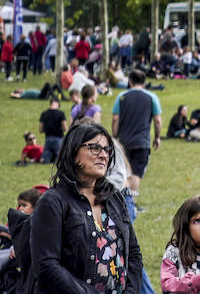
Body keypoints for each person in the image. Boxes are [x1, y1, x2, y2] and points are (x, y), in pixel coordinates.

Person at [30, 121, 142, 294]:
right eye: (95, 148)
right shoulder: (53, 202)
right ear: (74, 153)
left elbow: (133, 252)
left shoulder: (114, 197)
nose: (104, 155)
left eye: (107, 150)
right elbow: (46, 266)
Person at [110, 69, 161, 195]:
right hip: (142, 141)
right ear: (144, 82)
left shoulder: (121, 97)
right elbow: (157, 120)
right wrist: (157, 137)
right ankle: (130, 203)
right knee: (136, 173)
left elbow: (115, 118)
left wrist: (115, 136)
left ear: (130, 81)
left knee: (125, 171)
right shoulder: (152, 97)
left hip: (124, 141)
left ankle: (123, 201)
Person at [38, 95, 67, 163]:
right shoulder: (60, 114)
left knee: (46, 157)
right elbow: (65, 128)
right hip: (58, 139)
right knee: (60, 158)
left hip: (48, 139)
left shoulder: (44, 114)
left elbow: (40, 130)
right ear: (58, 104)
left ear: (50, 103)